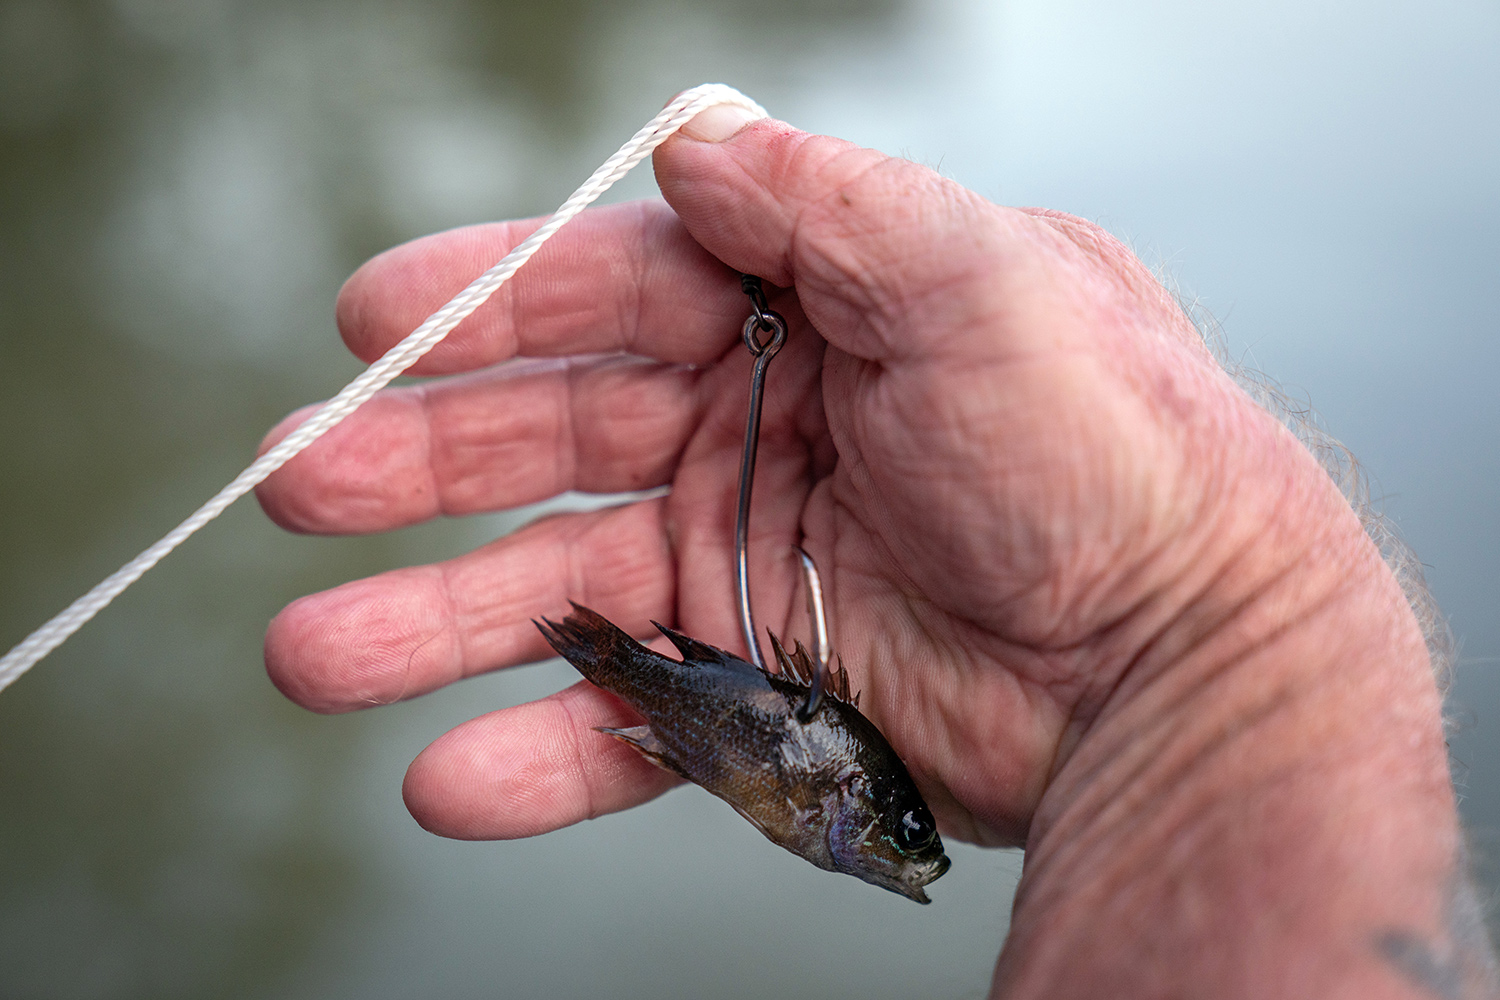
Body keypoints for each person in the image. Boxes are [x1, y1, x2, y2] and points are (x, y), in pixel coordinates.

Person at [254, 103, 1496, 998]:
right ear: (855, 810)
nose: (913, 861)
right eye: (901, 839)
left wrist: (1211, 635)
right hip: (715, 687)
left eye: (901, 841)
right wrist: (1228, 632)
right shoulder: (836, 780)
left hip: (720, 686)